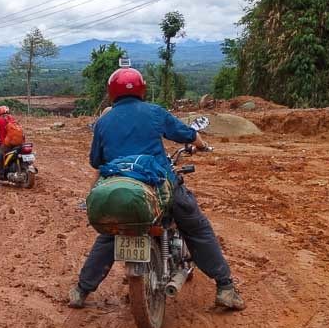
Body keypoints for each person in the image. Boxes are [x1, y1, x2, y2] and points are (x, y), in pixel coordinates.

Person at [68, 67, 245, 310]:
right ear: (142, 90)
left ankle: (81, 291)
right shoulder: (154, 112)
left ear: (111, 93)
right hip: (158, 185)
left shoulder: (103, 121)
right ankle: (225, 287)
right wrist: (201, 145)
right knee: (196, 227)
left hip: (119, 187)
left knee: (110, 235)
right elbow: (187, 134)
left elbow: (95, 161)